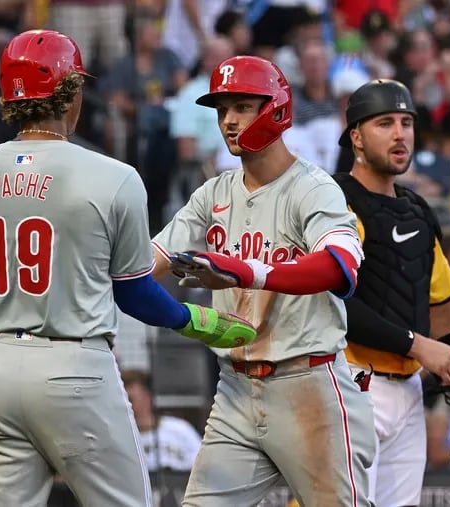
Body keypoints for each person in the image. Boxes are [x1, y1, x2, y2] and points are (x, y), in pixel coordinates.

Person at [0, 30, 256, 507]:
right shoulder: (113, 176)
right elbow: (132, 291)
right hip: (75, 365)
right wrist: (200, 321)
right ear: (71, 92)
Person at [153, 55, 376, 506]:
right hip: (235, 386)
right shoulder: (214, 192)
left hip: (307, 382)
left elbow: (340, 267)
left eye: (241, 106)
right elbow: (147, 261)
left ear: (274, 108)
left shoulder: (312, 187)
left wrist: (249, 272)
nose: (229, 121)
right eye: (222, 110)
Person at [331, 78, 450, 507]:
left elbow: (445, 308)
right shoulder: (333, 201)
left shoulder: (416, 209)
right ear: (356, 135)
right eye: (385, 123)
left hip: (408, 391)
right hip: (347, 381)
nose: (400, 133)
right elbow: (331, 302)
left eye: (407, 122)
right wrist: (417, 345)